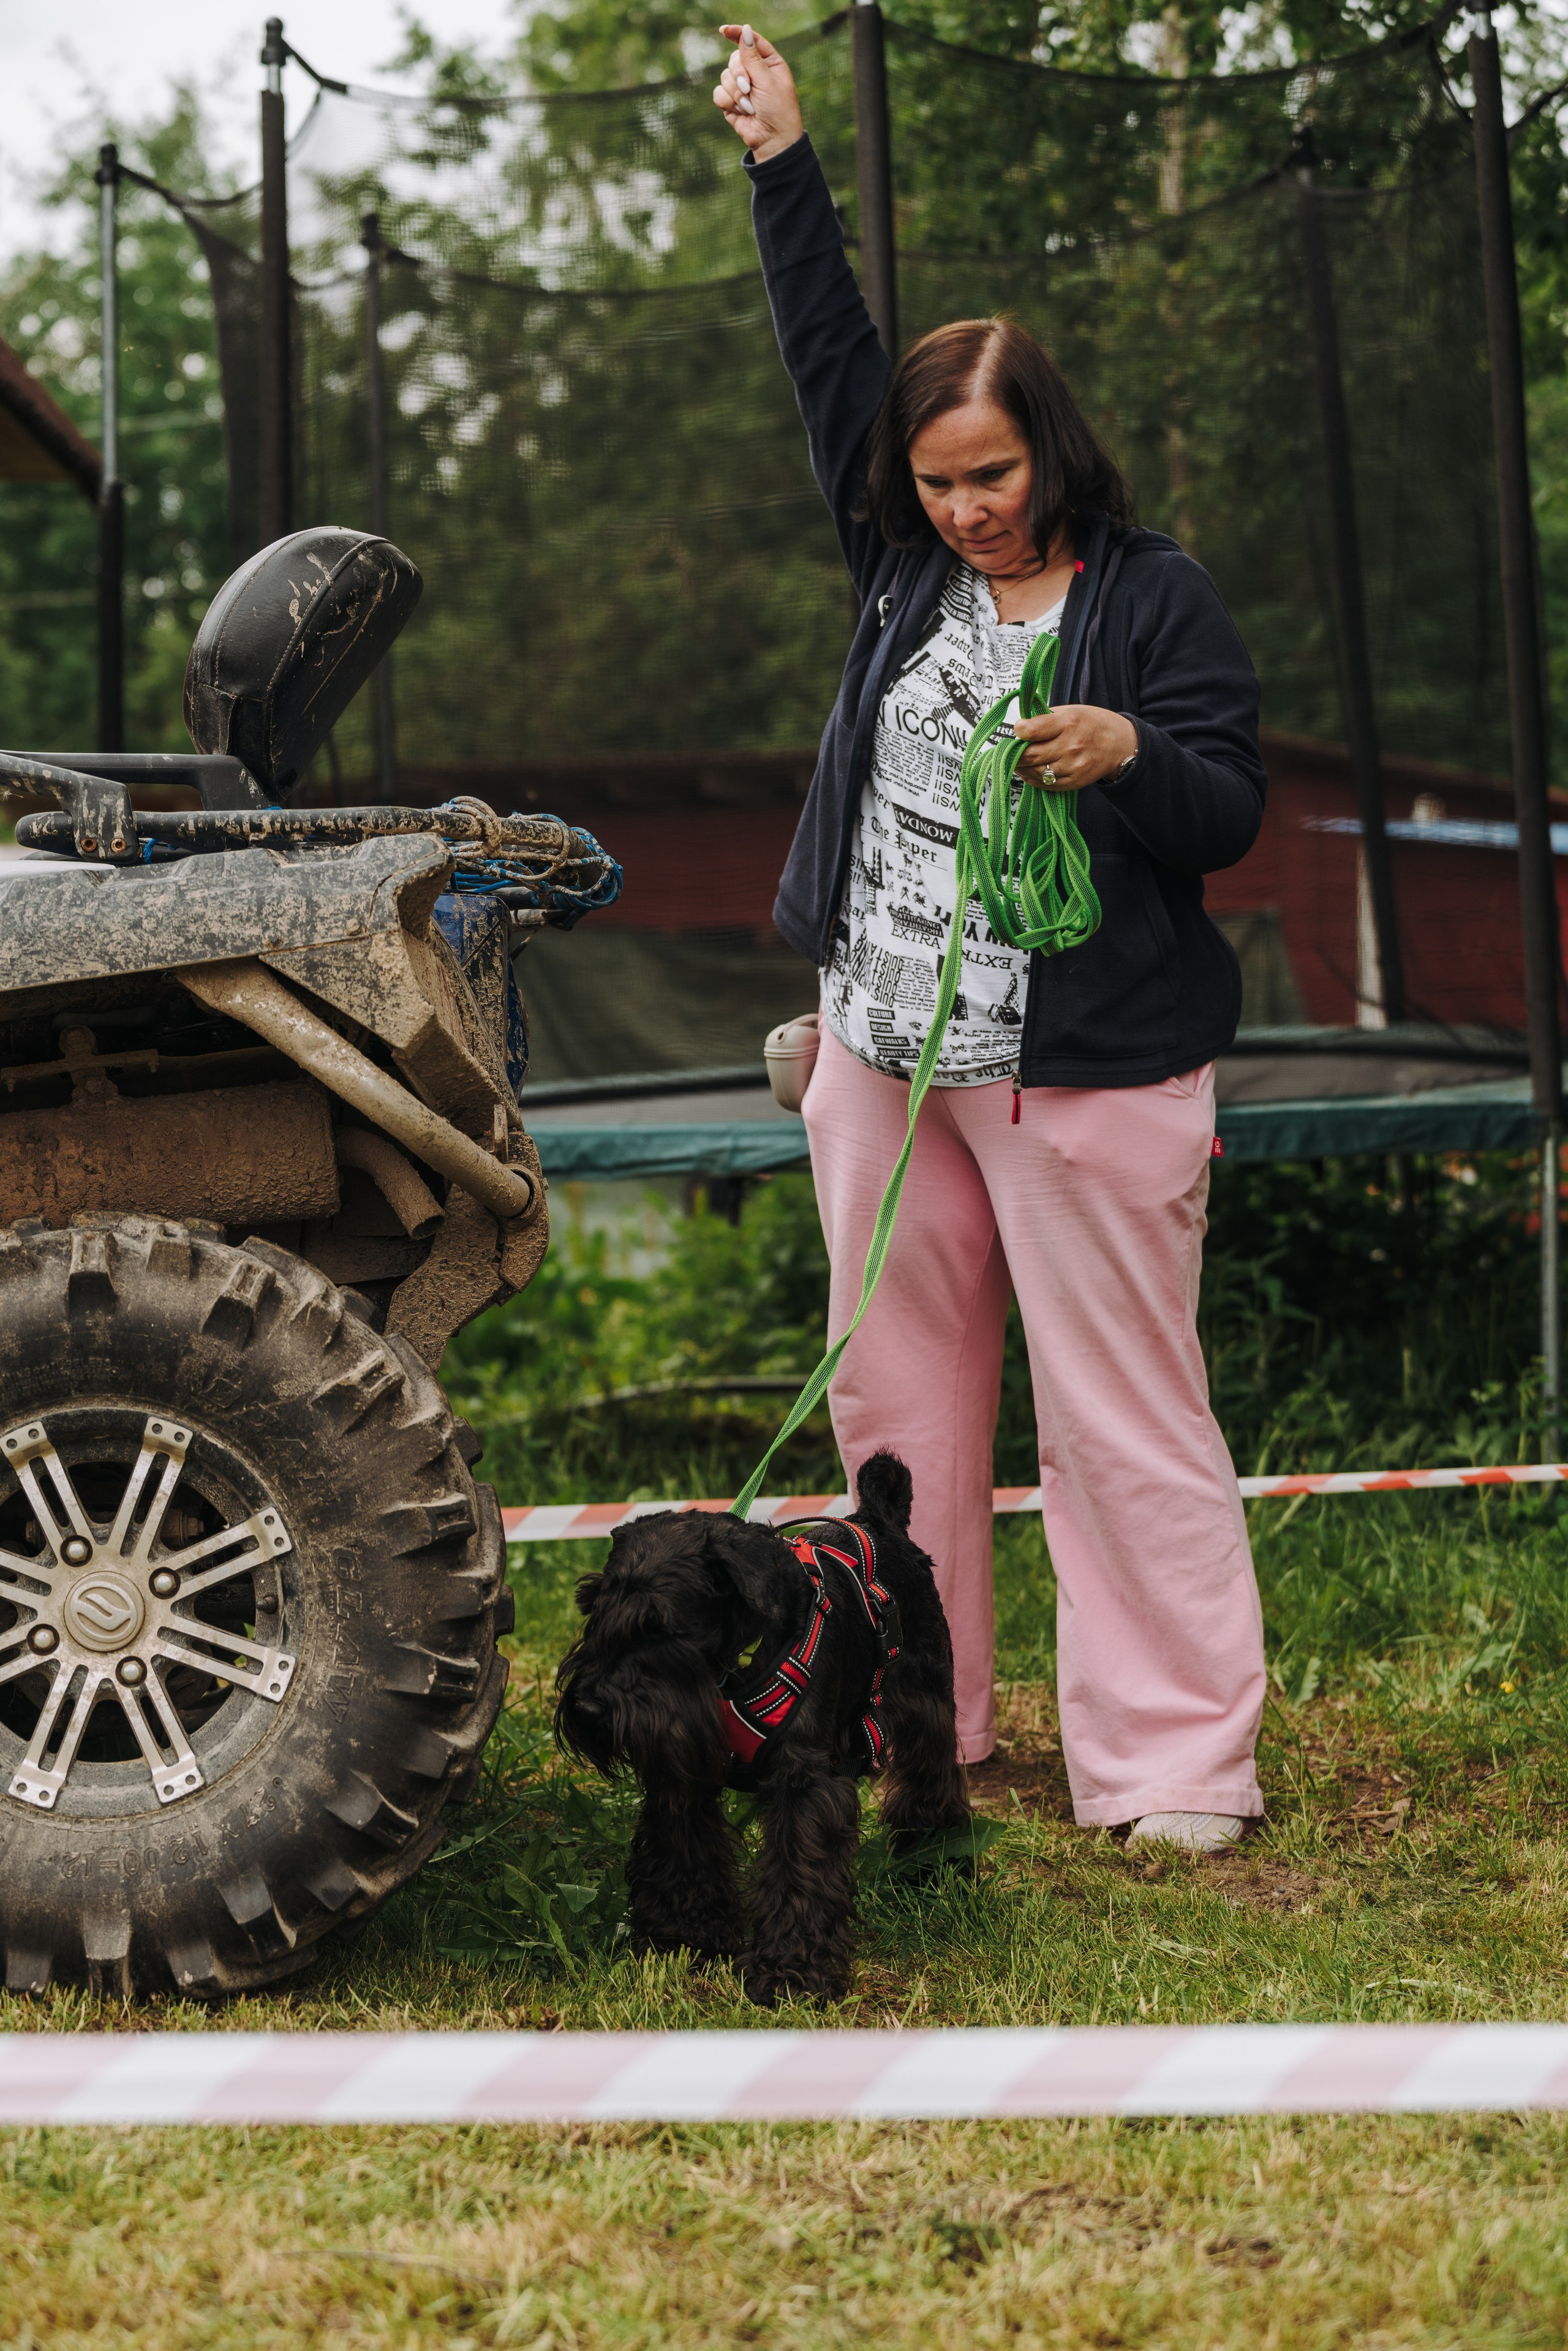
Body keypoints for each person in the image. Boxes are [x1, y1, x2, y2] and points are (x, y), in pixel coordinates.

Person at [714, 26, 1267, 1851]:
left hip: (1085, 1074)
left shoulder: (1153, 595)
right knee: (898, 1414)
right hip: (882, 1063)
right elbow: (827, 352)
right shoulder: (900, 569)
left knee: (1119, 1416)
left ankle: (1174, 1767)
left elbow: (1231, 809)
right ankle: (920, 1729)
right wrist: (782, 161)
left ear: (1053, 451)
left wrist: (1131, 754)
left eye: (995, 473)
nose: (968, 506)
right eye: (940, 479)